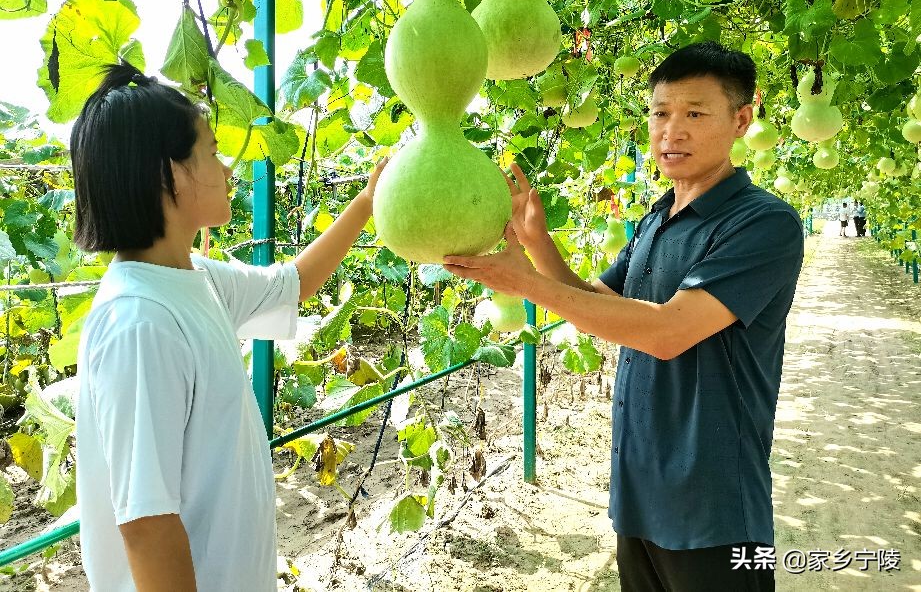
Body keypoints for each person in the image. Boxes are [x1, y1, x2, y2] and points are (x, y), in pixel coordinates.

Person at [444, 42, 804, 591]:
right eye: (661, 113)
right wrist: (537, 243)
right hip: (639, 493)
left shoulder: (763, 224)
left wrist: (522, 283)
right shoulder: (657, 217)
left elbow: (665, 333)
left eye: (694, 114)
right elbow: (598, 302)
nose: (671, 132)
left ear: (742, 120)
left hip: (713, 505)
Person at [71, 63, 385, 591]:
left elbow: (294, 282)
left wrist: (366, 204)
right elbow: (148, 526)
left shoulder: (193, 279)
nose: (226, 168)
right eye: (211, 151)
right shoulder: (140, 323)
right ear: (168, 175)